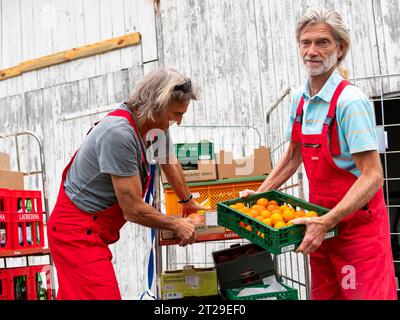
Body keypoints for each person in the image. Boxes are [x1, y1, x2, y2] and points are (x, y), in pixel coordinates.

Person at [244, 8, 397, 300]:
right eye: (305, 42)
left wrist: (328, 221)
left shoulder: (350, 103)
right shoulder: (300, 101)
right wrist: (259, 195)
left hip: (357, 232)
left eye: (322, 42)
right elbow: (293, 154)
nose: (311, 51)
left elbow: (373, 175)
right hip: (319, 228)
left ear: (340, 49)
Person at [47, 67, 205, 300]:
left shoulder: (155, 126)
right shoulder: (119, 134)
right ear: (156, 107)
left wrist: (189, 203)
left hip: (93, 230)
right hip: (76, 233)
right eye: (176, 114)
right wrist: (176, 224)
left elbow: (170, 163)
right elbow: (132, 210)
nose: (179, 122)